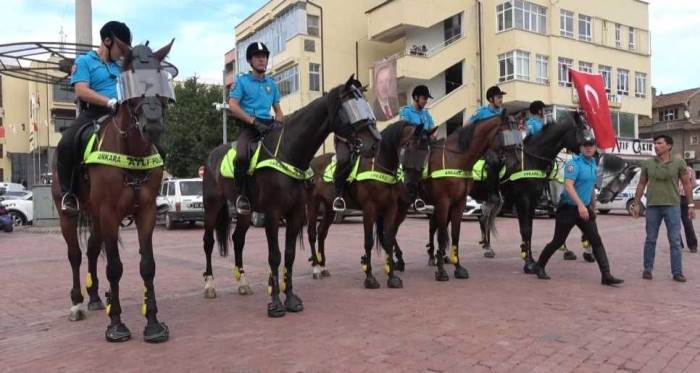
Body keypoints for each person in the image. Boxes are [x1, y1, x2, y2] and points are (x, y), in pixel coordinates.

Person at [56, 21, 132, 216]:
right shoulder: (84, 61)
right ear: (107, 41)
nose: (123, 53)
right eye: (120, 47)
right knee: (66, 143)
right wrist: (109, 102)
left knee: (150, 141)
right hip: (94, 113)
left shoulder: (121, 66)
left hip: (121, 114)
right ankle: (69, 194)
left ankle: (144, 193)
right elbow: (81, 90)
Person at [532, 133, 624, 286]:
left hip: (585, 209)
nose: (588, 149)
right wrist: (581, 205)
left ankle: (606, 275)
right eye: (585, 146)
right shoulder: (573, 164)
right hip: (568, 209)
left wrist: (591, 206)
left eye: (591, 146)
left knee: (596, 240)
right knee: (558, 241)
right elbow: (568, 186)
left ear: (595, 148)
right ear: (580, 148)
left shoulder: (594, 164)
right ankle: (539, 266)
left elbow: (590, 188)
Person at [228, 42, 284, 215]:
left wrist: (279, 123)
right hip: (250, 127)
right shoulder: (241, 81)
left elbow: (278, 110)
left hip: (269, 127)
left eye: (264, 56)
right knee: (242, 157)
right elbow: (233, 105)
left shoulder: (272, 85)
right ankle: (241, 196)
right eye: (257, 57)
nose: (261, 59)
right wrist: (252, 121)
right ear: (250, 61)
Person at [633, 135, 694, 282]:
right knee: (650, 239)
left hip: (673, 206)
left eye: (659, 143)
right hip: (653, 206)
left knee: (674, 240)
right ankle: (647, 269)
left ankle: (677, 272)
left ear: (669, 146)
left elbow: (686, 184)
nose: (656, 146)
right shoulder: (647, 164)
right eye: (655, 143)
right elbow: (641, 184)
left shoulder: (679, 163)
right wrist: (636, 203)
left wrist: (691, 205)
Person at [468, 86, 506, 203]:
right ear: (490, 99)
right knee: (493, 161)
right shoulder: (482, 112)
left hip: (501, 146)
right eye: (498, 97)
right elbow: (467, 125)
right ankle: (492, 193)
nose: (501, 100)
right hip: (485, 147)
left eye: (501, 97)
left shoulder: (502, 112)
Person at [399, 85, 435, 211]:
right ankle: (414, 198)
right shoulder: (405, 111)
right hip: (411, 148)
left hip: (425, 146)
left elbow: (432, 128)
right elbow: (405, 130)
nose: (426, 101)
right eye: (424, 98)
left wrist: (433, 134)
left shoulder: (426, 114)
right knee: (413, 171)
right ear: (415, 97)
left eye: (426, 99)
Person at [679, 163, 697, 253]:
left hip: (683, 198)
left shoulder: (689, 170)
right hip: (677, 197)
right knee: (675, 223)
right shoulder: (673, 169)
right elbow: (694, 184)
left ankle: (691, 245)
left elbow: (693, 184)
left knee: (686, 222)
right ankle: (680, 244)